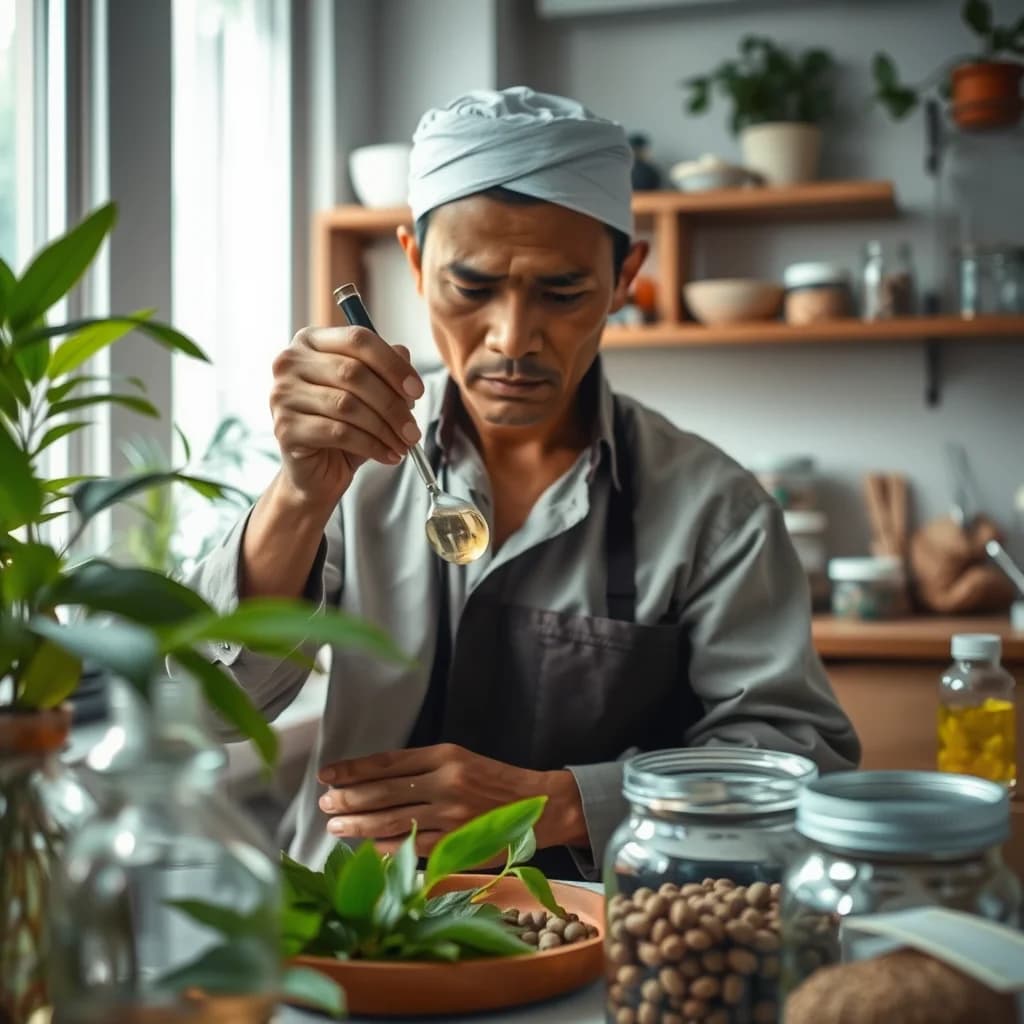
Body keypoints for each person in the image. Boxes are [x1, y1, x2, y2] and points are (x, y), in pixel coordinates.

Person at [190, 86, 859, 880]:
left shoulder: (716, 511)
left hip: (598, 944)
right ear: (412, 263)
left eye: (562, 292)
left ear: (624, 278)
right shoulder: (350, 473)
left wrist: (563, 804)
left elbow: (800, 763)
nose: (512, 340)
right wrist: (298, 497)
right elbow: (205, 707)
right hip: (347, 933)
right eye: (470, 289)